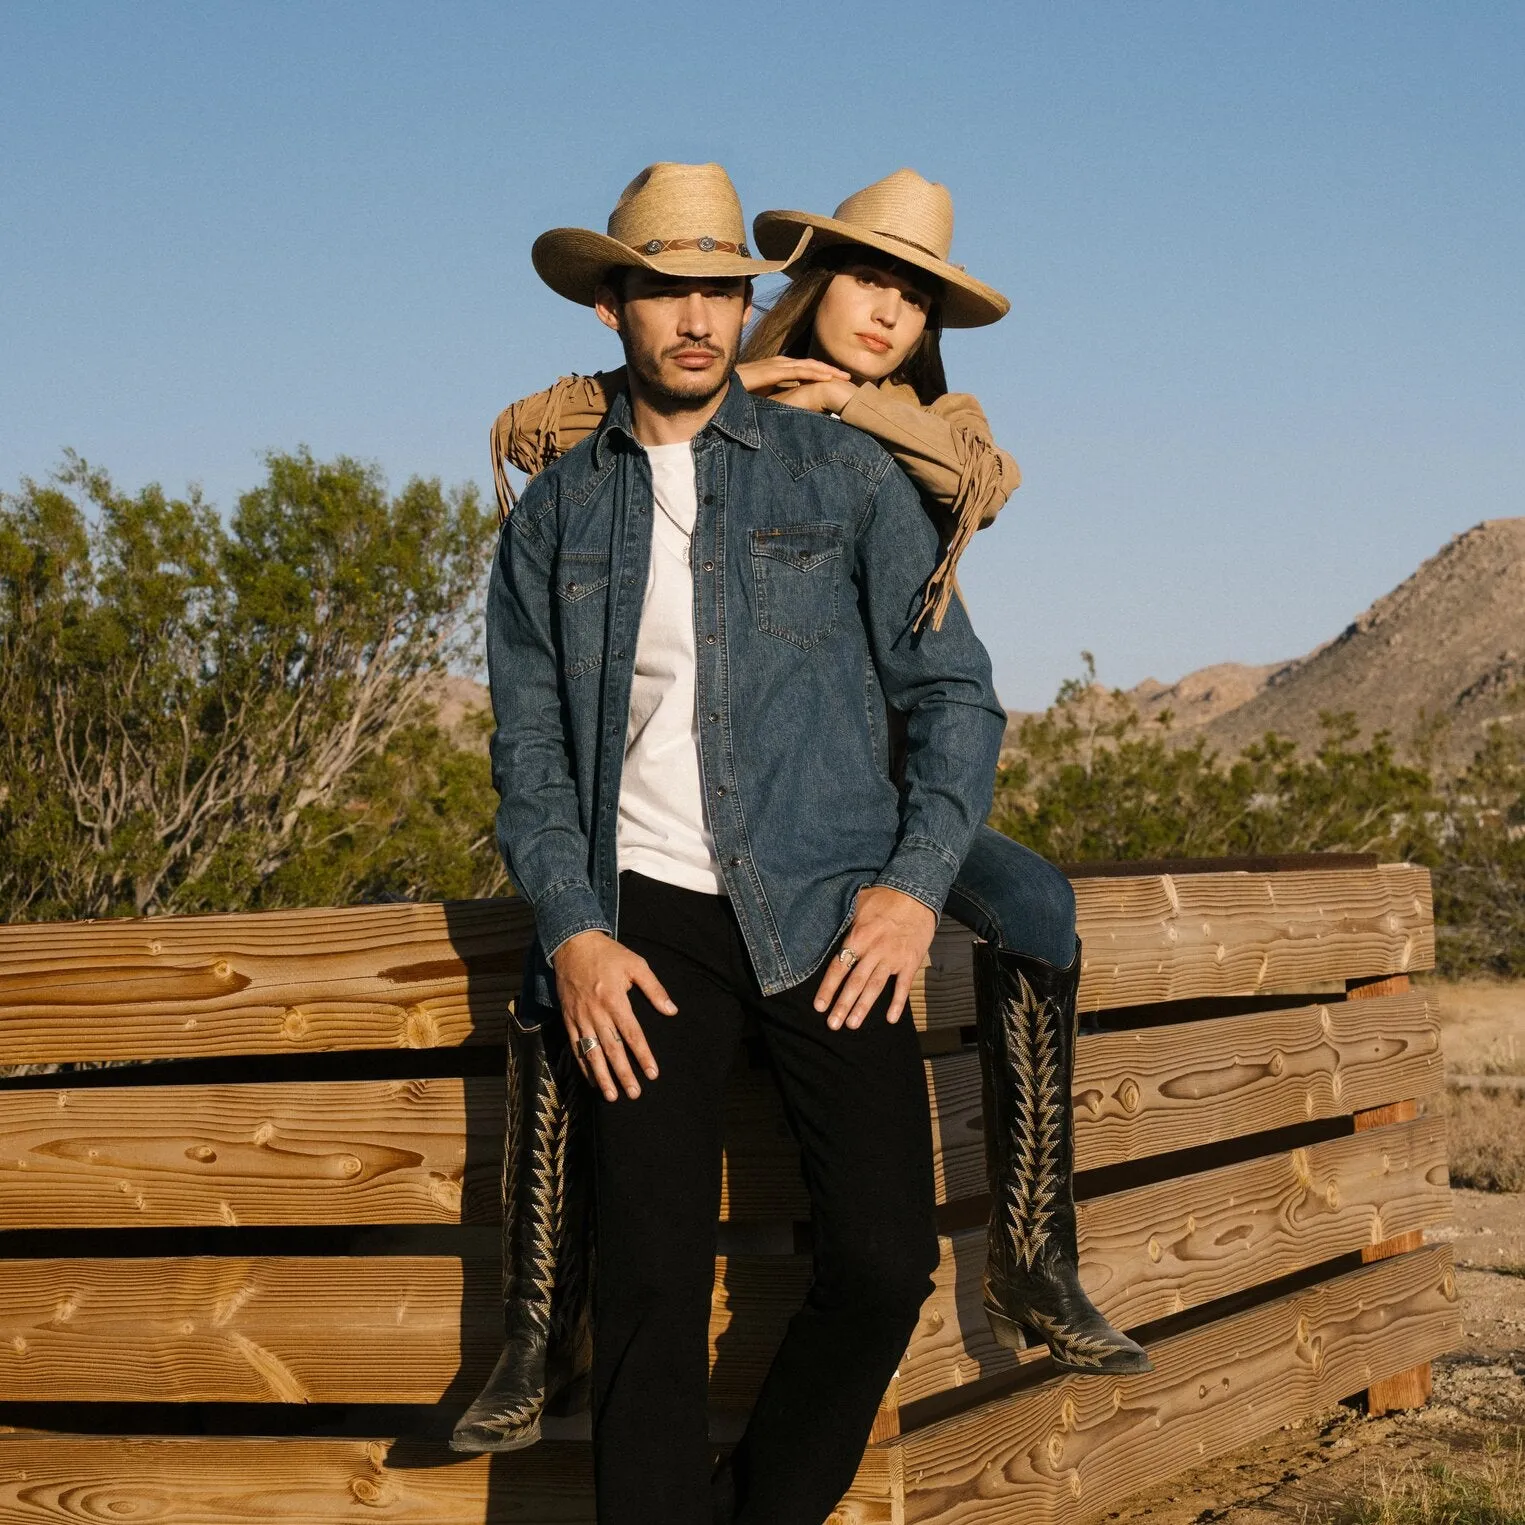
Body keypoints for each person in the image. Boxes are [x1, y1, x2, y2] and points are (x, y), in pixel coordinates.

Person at [455, 168, 1149, 1461]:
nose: (698, 316)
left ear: (749, 293)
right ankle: (536, 1327)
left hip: (838, 871)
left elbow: (958, 681)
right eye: (666, 287)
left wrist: (910, 882)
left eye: (719, 289)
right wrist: (572, 926)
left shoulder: (861, 464)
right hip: (646, 900)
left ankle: (1035, 1254)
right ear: (614, 302)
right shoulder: (561, 510)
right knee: (650, 1284)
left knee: (885, 1264)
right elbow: (530, 752)